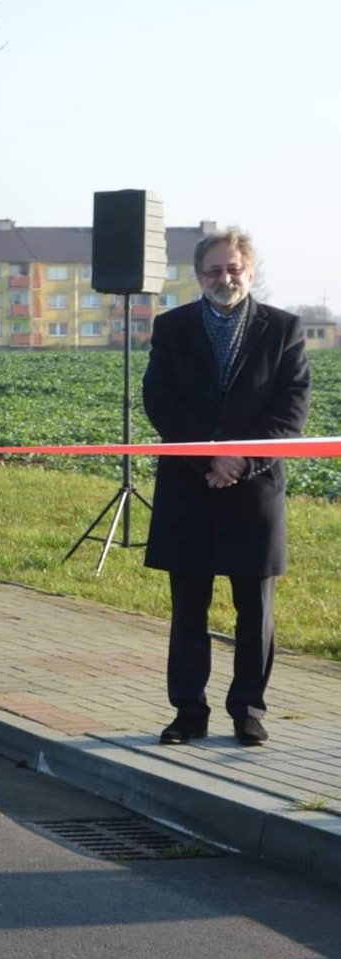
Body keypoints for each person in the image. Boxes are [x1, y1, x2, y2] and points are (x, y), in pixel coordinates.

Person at [142, 227, 310, 748]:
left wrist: (241, 461)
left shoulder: (283, 329)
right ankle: (188, 711)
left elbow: (291, 410)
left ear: (250, 272)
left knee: (254, 613)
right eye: (214, 270)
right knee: (188, 611)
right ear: (198, 276)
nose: (224, 278)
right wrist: (208, 459)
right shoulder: (172, 327)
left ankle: (248, 712)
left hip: (254, 491)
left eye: (233, 268)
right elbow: (160, 401)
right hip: (189, 487)